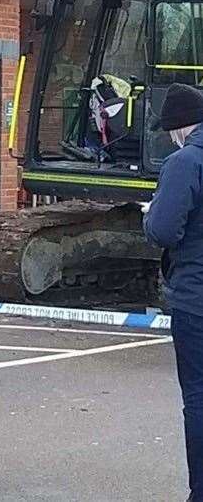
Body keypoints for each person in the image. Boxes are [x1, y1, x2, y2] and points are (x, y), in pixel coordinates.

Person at [144, 83, 203, 502]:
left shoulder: (186, 162)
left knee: (199, 398)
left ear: (180, 127)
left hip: (197, 298)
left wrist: (151, 216)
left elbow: (163, 230)